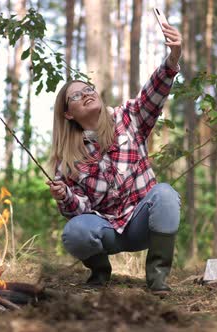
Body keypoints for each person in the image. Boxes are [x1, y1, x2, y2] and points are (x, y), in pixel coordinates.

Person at [47, 22, 182, 293]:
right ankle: (100, 272)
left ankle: (157, 277)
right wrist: (65, 197)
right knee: (74, 231)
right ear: (68, 114)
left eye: (88, 89)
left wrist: (174, 57)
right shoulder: (68, 159)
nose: (85, 94)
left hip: (141, 223)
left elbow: (154, 93)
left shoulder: (130, 117)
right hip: (105, 228)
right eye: (76, 95)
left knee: (166, 194)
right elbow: (79, 212)